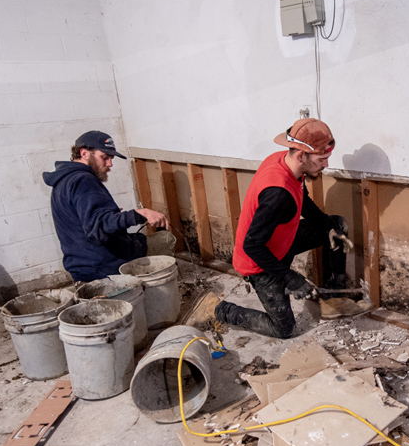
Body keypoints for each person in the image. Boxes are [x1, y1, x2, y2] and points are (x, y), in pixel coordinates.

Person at [187, 118, 352, 339]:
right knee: (284, 329)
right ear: (302, 156)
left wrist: (327, 225)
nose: (326, 165)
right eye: (322, 159)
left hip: (282, 240)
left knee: (337, 225)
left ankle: (334, 297)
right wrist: (292, 279)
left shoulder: (284, 161)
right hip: (261, 262)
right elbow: (252, 245)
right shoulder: (278, 193)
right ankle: (215, 308)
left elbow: (301, 199)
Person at [43, 130, 175, 282]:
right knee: (166, 239)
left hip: (83, 265)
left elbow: (88, 220)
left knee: (141, 239)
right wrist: (139, 214)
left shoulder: (64, 181)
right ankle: (159, 292)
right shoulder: (83, 180)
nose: (110, 164)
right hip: (104, 265)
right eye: (104, 157)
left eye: (111, 158)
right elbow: (98, 228)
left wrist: (113, 215)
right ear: (84, 153)